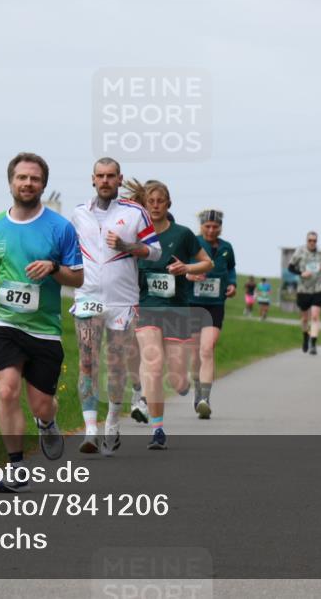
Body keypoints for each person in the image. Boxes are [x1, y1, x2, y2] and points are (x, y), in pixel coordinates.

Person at [0, 152, 84, 492]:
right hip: (3, 323)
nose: (28, 183)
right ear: (10, 182)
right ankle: (16, 467)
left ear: (43, 185)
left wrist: (53, 268)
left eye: (34, 178)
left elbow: (77, 278)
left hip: (45, 330)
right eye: (22, 177)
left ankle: (46, 422)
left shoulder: (60, 228)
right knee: (6, 389)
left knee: (41, 403)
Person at [69, 158, 160, 455]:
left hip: (123, 300)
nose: (105, 180)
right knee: (87, 361)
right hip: (88, 296)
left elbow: (155, 252)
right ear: (92, 179)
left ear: (119, 179)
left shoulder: (136, 213)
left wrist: (127, 247)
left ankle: (112, 421)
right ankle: (90, 431)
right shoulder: (79, 214)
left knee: (117, 364)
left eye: (111, 176)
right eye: (100, 176)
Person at [124, 179, 213, 450]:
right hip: (147, 306)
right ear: (144, 205)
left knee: (177, 378)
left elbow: (206, 263)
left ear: (168, 204)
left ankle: (183, 386)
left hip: (176, 308)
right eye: (150, 201)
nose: (155, 206)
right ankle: (157, 428)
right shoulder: (136, 235)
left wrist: (186, 267)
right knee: (152, 363)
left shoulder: (183, 234)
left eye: (160, 201)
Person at [186, 209, 236, 419]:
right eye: (208, 226)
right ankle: (198, 391)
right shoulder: (192, 243)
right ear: (201, 226)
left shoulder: (226, 248)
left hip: (216, 304)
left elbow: (231, 268)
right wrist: (189, 274)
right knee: (196, 353)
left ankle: (205, 399)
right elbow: (179, 267)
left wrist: (232, 284)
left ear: (220, 227)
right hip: (193, 303)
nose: (211, 230)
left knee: (207, 349)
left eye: (215, 227)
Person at [287, 231, 321, 356]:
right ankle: (305, 336)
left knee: (315, 316)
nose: (312, 243)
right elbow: (290, 267)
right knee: (305, 318)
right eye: (310, 240)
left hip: (318, 287)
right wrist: (301, 273)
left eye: (314, 241)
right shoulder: (300, 251)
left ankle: (313, 344)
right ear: (306, 241)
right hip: (304, 288)